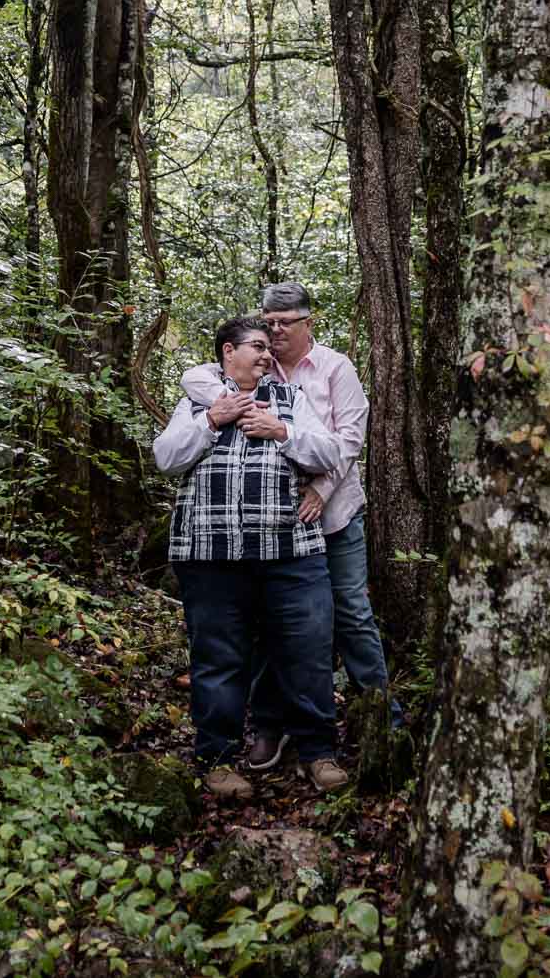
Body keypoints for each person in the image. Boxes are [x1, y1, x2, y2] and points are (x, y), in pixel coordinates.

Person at [181, 281, 400, 773]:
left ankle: (381, 718)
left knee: (348, 616)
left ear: (308, 322)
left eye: (286, 323)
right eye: (269, 322)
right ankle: (269, 728)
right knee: (266, 629)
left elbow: (347, 442)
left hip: (332, 514)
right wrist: (235, 399)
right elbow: (195, 380)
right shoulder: (257, 365)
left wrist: (319, 492)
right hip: (273, 529)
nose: (276, 331)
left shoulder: (335, 368)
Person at [152, 315, 353, 799]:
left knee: (307, 649)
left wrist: (280, 430)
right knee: (218, 657)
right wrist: (211, 421)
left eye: (268, 349)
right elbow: (166, 457)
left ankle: (317, 752)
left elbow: (327, 453)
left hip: (289, 551)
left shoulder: (290, 400)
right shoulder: (198, 401)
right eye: (256, 348)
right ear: (227, 352)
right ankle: (218, 759)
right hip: (211, 555)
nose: (266, 356)